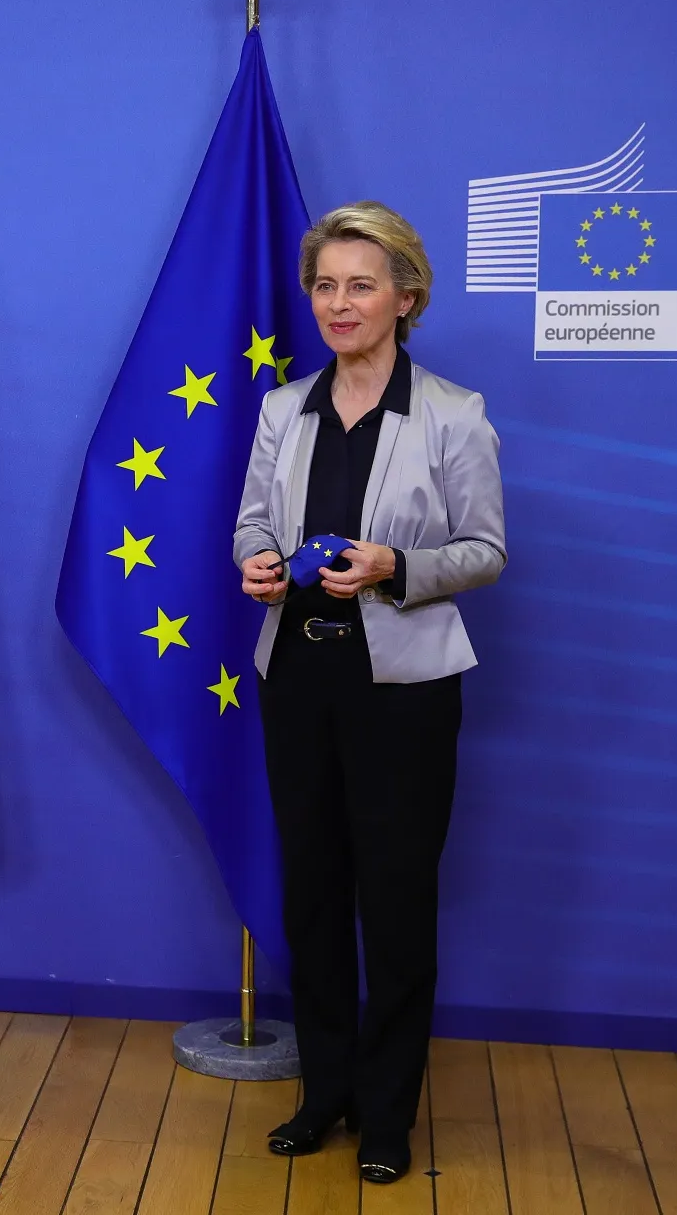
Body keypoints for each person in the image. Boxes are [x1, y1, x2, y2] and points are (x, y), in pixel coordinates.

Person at [232, 201, 505, 1185]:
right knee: (310, 896)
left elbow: (484, 551)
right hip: (295, 680)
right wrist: (258, 565)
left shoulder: (452, 414)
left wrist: (395, 565)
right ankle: (325, 1092)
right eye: (323, 285)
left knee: (393, 901)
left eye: (358, 284)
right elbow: (251, 526)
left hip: (403, 693)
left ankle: (386, 1112)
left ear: (404, 297)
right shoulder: (280, 409)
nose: (336, 303)